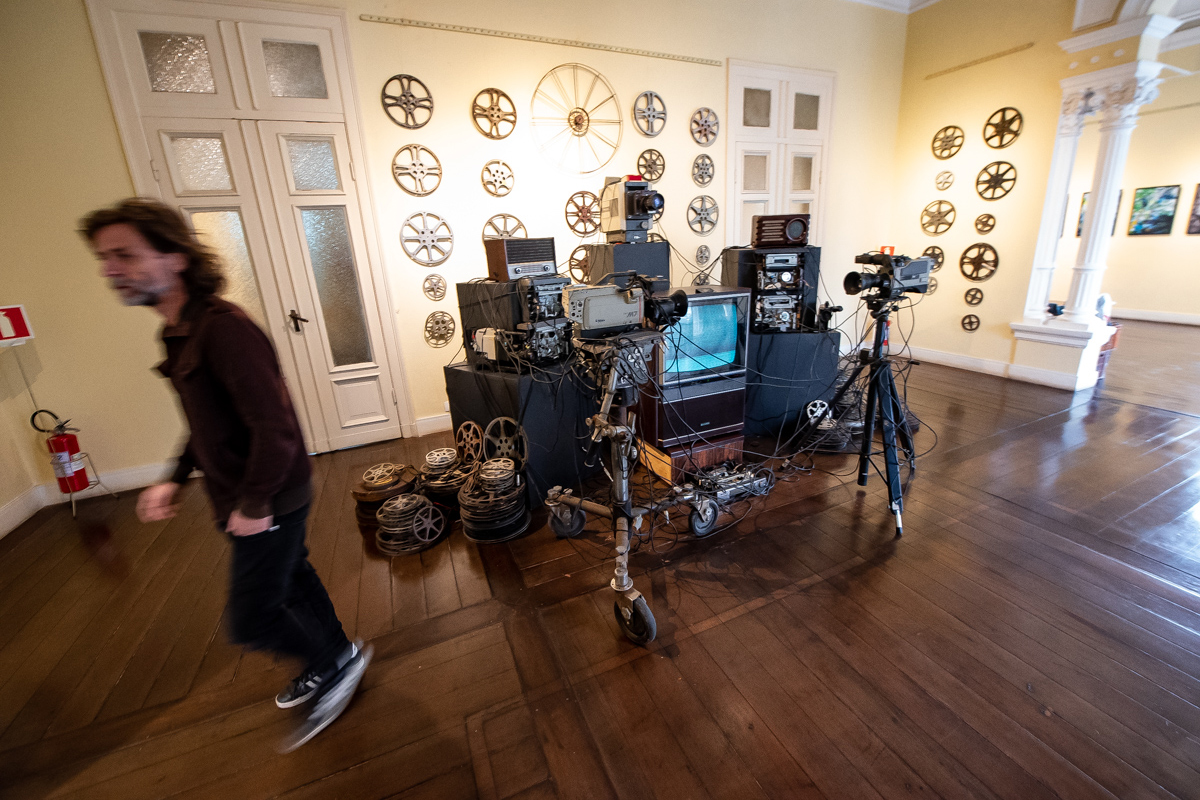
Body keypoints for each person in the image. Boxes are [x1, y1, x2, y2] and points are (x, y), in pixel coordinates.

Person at [81, 198, 370, 752]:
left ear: (175, 258)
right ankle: (339, 653)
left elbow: (274, 426)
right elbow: (208, 424)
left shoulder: (225, 330)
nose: (110, 270)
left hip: (271, 495)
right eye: (104, 258)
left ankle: (333, 667)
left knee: (254, 616)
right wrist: (173, 476)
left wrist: (255, 505)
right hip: (243, 494)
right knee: (293, 578)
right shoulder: (177, 333)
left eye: (125, 255)